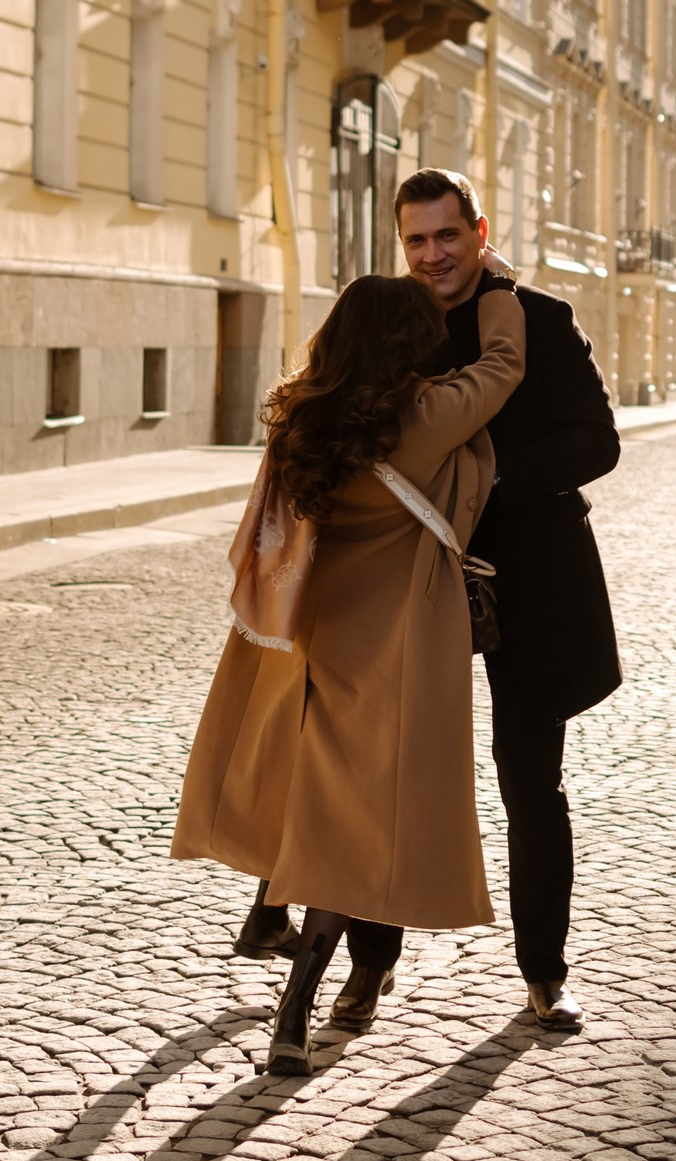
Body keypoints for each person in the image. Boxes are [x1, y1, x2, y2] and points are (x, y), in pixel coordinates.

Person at [236, 168, 622, 1033]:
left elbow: (596, 442)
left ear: (479, 232)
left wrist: (482, 491)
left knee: (531, 780)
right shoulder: (391, 327)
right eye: (416, 240)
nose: (433, 255)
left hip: (530, 580)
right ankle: (370, 968)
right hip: (405, 589)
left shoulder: (541, 321)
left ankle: (543, 973)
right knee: (387, 776)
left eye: (448, 236)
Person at [173, 270, 526, 1074]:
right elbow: (503, 365)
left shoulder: (303, 416)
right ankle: (295, 1012)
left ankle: (267, 918)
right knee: (349, 834)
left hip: (305, 640)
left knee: (306, 798)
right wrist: (499, 286)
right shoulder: (424, 418)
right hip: (390, 650)